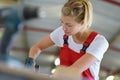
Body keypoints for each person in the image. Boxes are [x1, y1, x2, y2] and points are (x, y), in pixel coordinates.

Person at [25, 0, 109, 80]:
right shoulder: (62, 33)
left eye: (69, 25)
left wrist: (50, 75)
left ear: (82, 23)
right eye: (62, 22)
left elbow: (73, 71)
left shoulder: (99, 42)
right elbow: (37, 47)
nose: (64, 28)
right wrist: (31, 61)